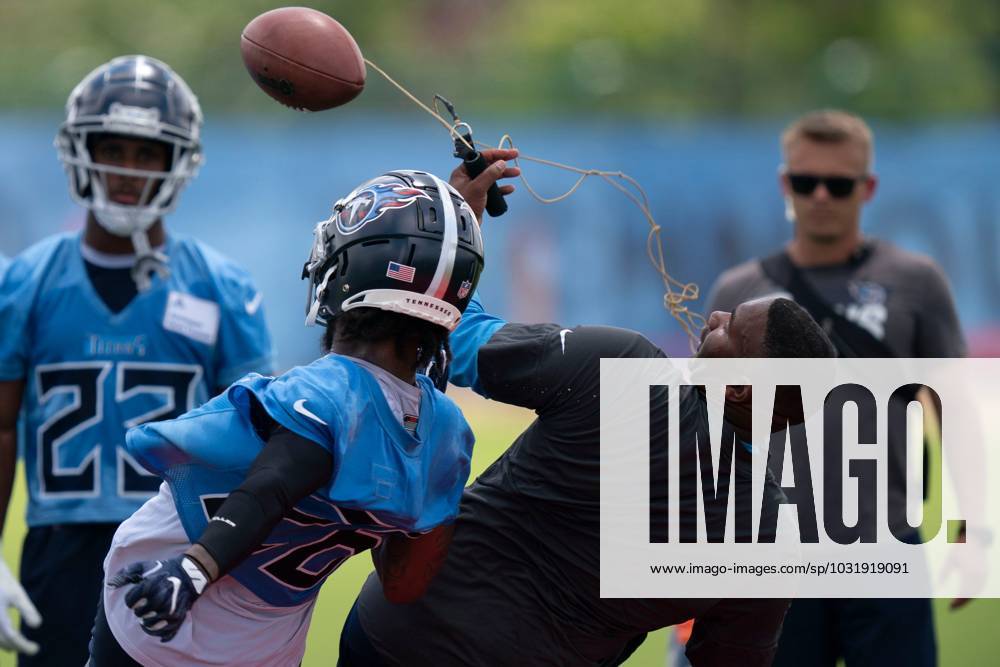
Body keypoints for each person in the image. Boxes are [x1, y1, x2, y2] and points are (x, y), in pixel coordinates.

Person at [324, 153, 836, 666]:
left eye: (731, 329)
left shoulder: (628, 369)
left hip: (396, 645)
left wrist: (462, 228)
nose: (716, 314)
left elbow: (456, 340)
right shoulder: (771, 536)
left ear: (742, 390)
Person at [87, 168, 502, 667]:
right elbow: (404, 581)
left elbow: (275, 482)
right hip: (266, 647)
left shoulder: (328, 391)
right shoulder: (446, 434)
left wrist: (193, 570)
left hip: (161, 612)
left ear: (346, 267)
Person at [0, 55, 274, 666]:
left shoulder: (220, 288)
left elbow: (256, 446)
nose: (127, 170)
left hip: (173, 544)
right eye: (113, 147)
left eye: (148, 153)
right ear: (78, 150)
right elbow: (1, 425)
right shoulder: (26, 283)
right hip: (59, 550)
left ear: (177, 164)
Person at [704, 109, 966, 667]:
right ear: (785, 184)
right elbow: (709, 427)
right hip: (773, 550)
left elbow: (956, 410)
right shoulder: (739, 289)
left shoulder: (916, 283)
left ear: (867, 188)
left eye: (839, 183)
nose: (821, 194)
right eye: (805, 181)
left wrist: (974, 532)